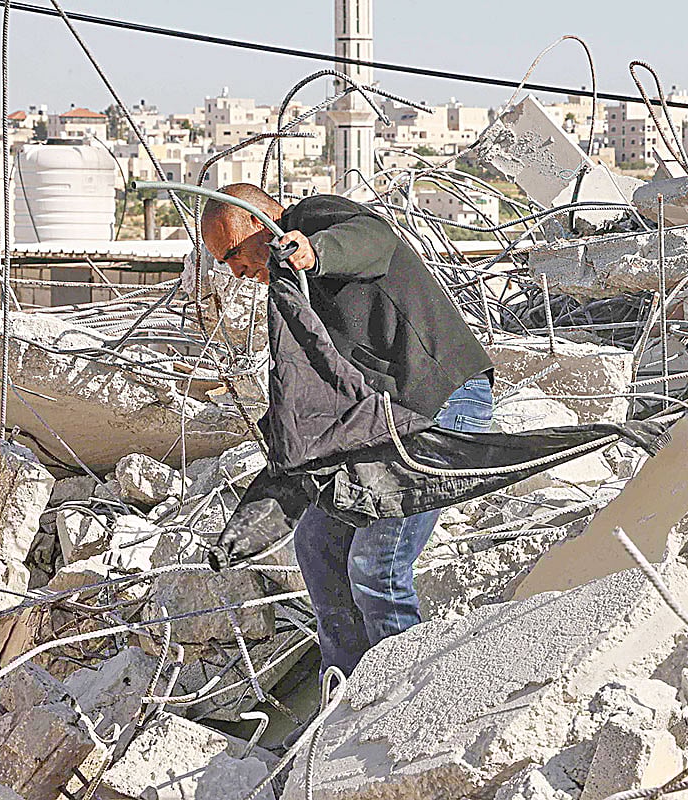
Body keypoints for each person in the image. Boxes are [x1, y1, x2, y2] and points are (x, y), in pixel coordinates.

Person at [200, 183, 494, 677]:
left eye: (233, 253)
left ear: (258, 221)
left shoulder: (313, 218)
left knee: (376, 566)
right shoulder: (293, 287)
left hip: (441, 399)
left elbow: (373, 238)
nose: (237, 271)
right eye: (223, 262)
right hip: (389, 420)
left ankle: (404, 694)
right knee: (318, 545)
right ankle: (347, 690)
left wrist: (313, 251)